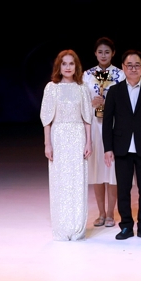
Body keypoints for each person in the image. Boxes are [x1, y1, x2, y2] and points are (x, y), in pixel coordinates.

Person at [102, 51, 141, 241]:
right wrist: (108, 148)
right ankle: (126, 226)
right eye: (129, 65)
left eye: (137, 65)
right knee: (123, 190)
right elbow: (107, 122)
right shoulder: (114, 91)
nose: (133, 68)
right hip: (121, 147)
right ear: (123, 67)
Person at [40, 50, 93, 241]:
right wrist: (47, 143)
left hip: (78, 136)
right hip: (59, 137)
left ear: (76, 66)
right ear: (59, 66)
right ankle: (62, 227)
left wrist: (89, 141)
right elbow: (47, 119)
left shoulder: (82, 88)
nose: (68, 67)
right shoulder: (52, 88)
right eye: (64, 63)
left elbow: (87, 118)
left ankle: (77, 227)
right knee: (60, 182)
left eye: (71, 63)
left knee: (77, 182)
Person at [84, 37, 123, 228]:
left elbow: (126, 101)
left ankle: (110, 213)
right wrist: (92, 103)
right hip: (94, 125)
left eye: (107, 52)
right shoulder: (87, 75)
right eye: (100, 52)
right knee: (97, 170)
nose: (103, 55)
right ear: (95, 53)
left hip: (114, 125)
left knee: (112, 171)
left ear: (113, 53)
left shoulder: (120, 74)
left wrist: (110, 105)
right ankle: (100, 213)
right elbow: (81, 101)